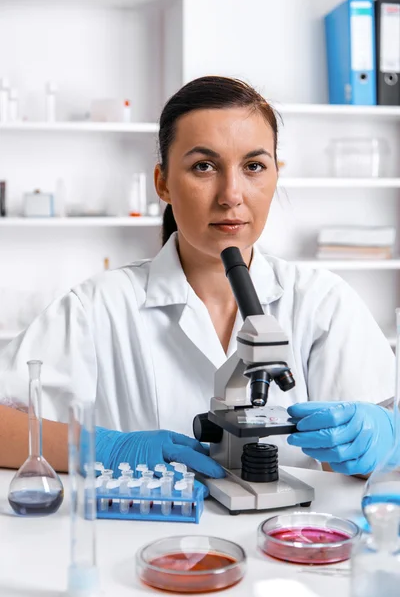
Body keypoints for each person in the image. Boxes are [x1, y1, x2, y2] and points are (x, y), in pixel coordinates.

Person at [0, 76, 396, 480]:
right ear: (163, 183)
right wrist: (105, 448)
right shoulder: (98, 306)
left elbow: (360, 470)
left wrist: (385, 440)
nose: (231, 194)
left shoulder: (324, 301)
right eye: (203, 166)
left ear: (276, 175)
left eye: (254, 166)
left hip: (289, 537)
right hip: (147, 538)